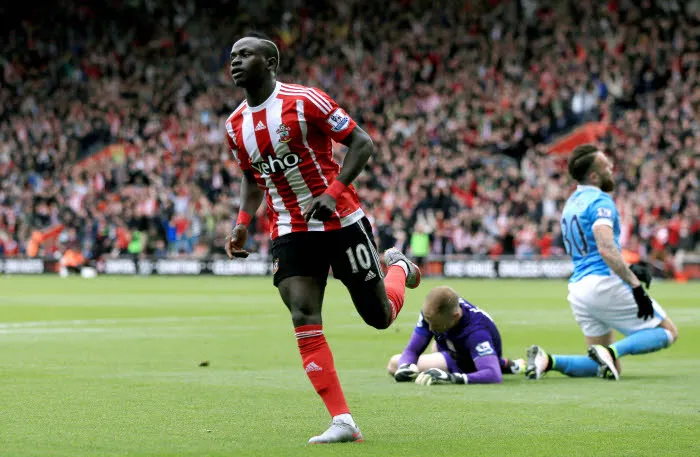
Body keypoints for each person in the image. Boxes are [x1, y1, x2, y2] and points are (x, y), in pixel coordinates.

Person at [224, 33, 421, 444]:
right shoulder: (234, 125)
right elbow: (251, 178)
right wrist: (243, 220)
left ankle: (399, 266)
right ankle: (343, 420)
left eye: (246, 54)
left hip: (341, 220)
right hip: (290, 229)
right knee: (302, 313)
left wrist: (332, 194)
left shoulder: (305, 100)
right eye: (232, 56)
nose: (236, 61)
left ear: (271, 61)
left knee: (379, 318)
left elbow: (361, 143)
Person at [526, 144, 679, 381]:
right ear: (594, 175)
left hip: (579, 289)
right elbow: (606, 248)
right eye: (606, 166)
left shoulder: (571, 203)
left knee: (606, 366)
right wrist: (635, 285)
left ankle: (548, 361)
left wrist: (627, 265)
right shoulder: (600, 201)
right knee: (668, 332)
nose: (612, 168)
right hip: (604, 282)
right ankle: (610, 351)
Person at [387, 286, 525, 385]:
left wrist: (452, 378)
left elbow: (494, 375)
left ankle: (496, 363)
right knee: (404, 364)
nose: (430, 328)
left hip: (465, 360)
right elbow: (412, 350)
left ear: (456, 316)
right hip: (455, 347)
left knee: (394, 363)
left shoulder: (477, 333)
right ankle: (507, 364)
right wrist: (406, 366)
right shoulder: (433, 313)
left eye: (434, 323)